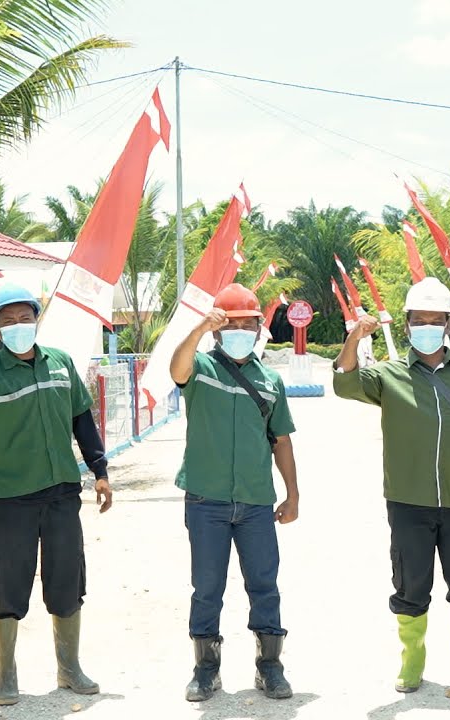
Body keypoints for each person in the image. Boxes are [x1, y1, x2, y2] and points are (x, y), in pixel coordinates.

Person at [332, 277, 450, 694]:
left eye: (435, 320)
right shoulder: (389, 376)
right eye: (419, 320)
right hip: (409, 501)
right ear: (407, 324)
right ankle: (412, 662)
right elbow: (344, 382)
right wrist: (355, 336)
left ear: (449, 325)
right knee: (411, 582)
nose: (427, 326)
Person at [0, 283, 113, 706]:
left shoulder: (60, 362)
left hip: (61, 491)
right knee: (9, 586)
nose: (19, 325)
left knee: (66, 581)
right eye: (8, 320)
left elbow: (82, 419)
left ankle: (69, 668)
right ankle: (7, 676)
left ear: (36, 319)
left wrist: (100, 470)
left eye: (26, 317)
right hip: (14, 496)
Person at [169, 283, 300, 702]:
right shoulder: (203, 367)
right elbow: (177, 370)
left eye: (249, 324)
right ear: (217, 331)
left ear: (260, 327)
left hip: (256, 501)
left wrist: (292, 493)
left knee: (264, 584)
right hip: (206, 500)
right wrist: (197, 328)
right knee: (207, 587)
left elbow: (281, 440)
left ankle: (270, 667)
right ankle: (206, 669)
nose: (241, 331)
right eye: (232, 324)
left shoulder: (270, 381)